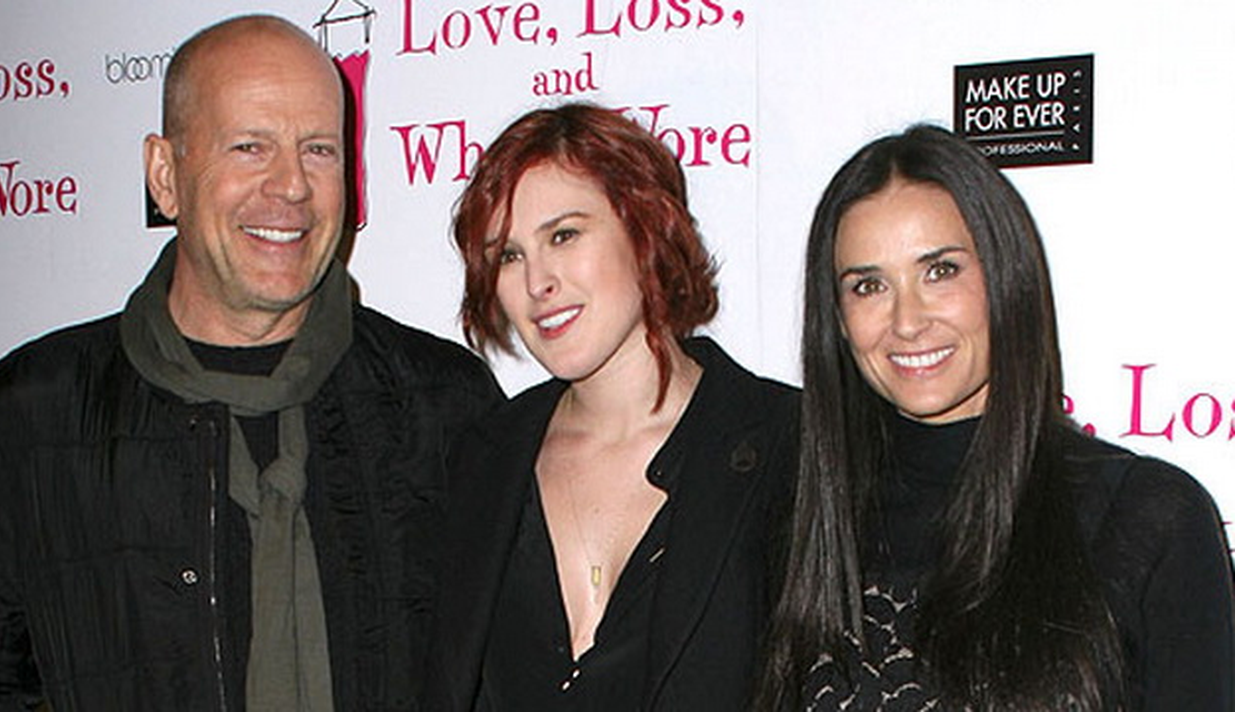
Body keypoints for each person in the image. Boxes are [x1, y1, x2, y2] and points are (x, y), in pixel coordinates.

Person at [0, 15, 501, 711]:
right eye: (250, 146)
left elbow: (503, 673)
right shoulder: (27, 416)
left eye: (319, 149)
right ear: (165, 176)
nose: (291, 185)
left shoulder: (442, 403)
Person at [756, 124, 1235, 711]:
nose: (907, 321)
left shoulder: (1146, 517)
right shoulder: (803, 526)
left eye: (940, 271)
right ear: (836, 316)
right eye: (869, 286)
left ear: (1005, 277)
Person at [422, 103, 799, 711]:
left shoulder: (791, 447)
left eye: (563, 235)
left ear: (644, 227)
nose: (537, 283)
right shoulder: (481, 457)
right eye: (508, 255)